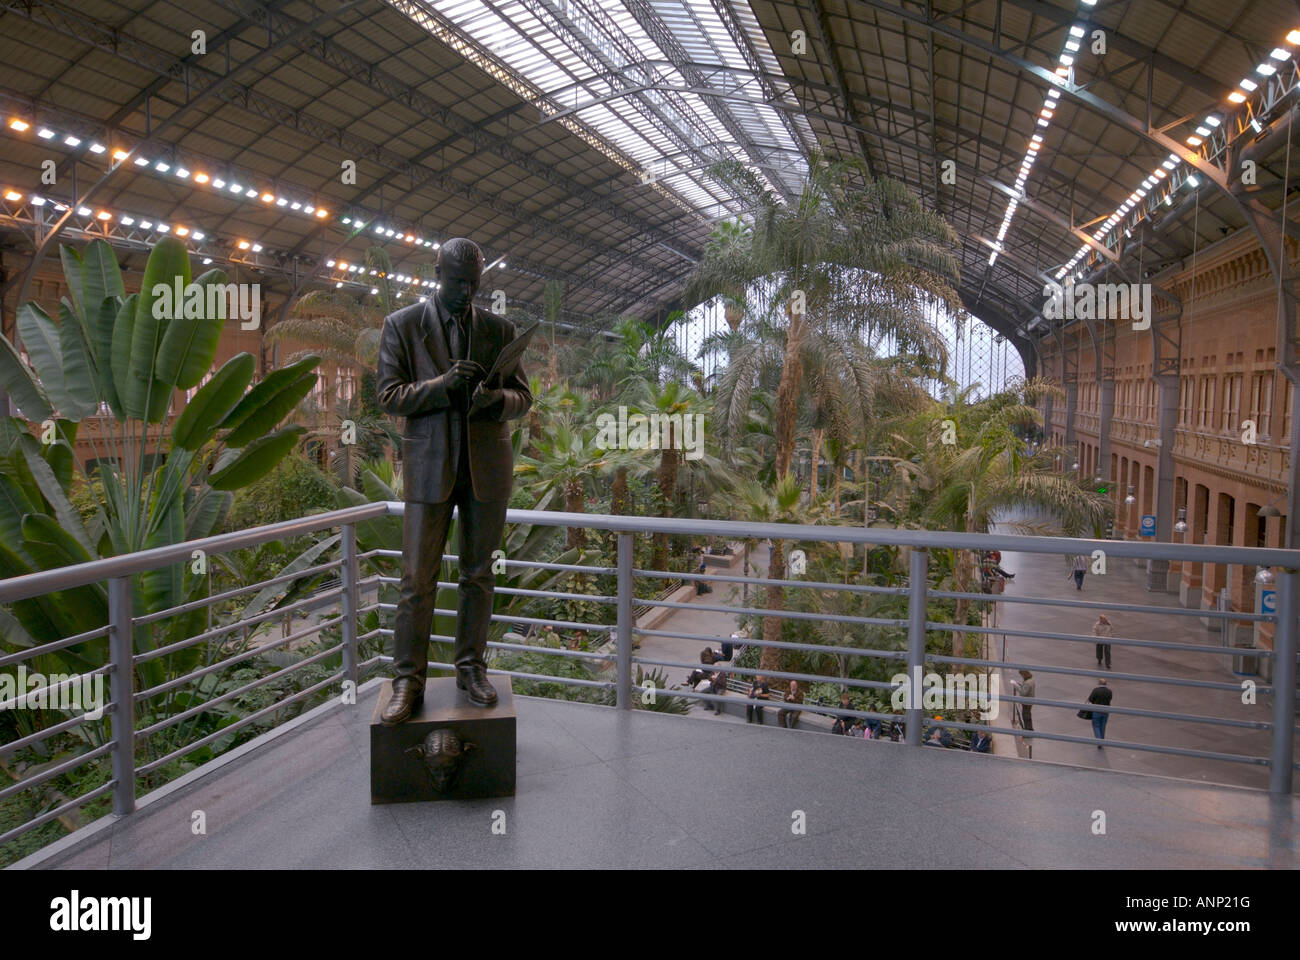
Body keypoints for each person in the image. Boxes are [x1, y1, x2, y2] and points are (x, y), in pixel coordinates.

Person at [376, 237, 533, 723]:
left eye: (474, 283)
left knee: (478, 576)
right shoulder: (402, 326)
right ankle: (408, 681)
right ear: (436, 274)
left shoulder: (497, 329)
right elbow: (389, 395)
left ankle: (471, 669)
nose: (466, 292)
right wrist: (442, 387)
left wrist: (495, 402)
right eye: (457, 282)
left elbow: (524, 396)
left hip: (485, 470)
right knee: (416, 581)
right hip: (430, 469)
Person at [1086, 677, 1113, 746]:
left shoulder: (1096, 690)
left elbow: (1090, 699)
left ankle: (1099, 741)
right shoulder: (1109, 691)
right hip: (1106, 711)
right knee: (1103, 726)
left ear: (1099, 683)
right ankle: (1102, 740)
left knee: (1096, 726)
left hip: (1097, 711)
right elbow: (1110, 699)